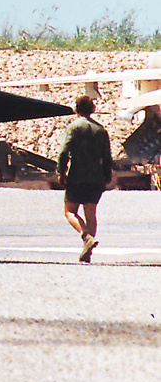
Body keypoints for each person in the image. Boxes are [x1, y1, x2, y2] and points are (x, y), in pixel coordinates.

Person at [57, 95, 114, 263]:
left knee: (70, 212)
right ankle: (87, 250)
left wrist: (61, 171)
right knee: (91, 214)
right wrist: (107, 177)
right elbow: (107, 157)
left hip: (77, 176)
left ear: (76, 109)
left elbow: (63, 152)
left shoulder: (74, 127)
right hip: (96, 178)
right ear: (92, 109)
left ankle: (86, 237)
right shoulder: (101, 130)